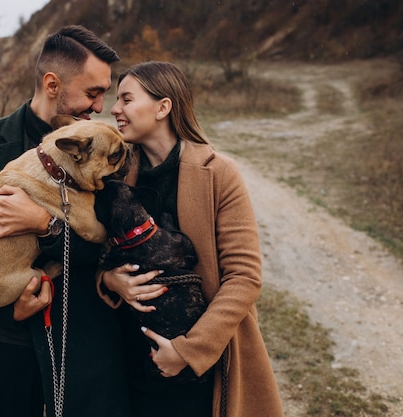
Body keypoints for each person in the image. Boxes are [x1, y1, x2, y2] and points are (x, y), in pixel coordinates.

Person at [0, 25, 132, 417]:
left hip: (83, 342)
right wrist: (5, 312)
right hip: (5, 341)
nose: (100, 106)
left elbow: (109, 246)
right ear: (52, 84)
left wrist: (45, 224)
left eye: (104, 94)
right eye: (92, 92)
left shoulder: (106, 149)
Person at [97, 61, 285, 417]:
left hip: (201, 364)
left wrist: (187, 351)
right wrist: (108, 280)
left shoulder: (218, 173)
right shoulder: (117, 174)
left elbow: (244, 277)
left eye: (126, 99)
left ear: (163, 107)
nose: (115, 109)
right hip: (127, 358)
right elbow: (97, 252)